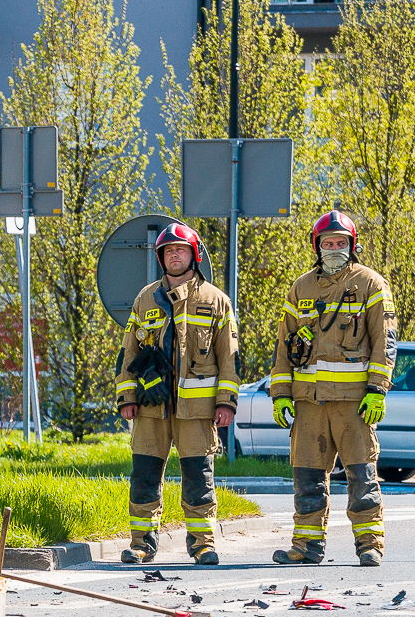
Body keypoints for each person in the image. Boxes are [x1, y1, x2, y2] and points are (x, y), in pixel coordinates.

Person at [270, 210, 397, 567]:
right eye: (328, 243)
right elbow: (284, 345)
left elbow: (384, 341)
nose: (334, 248)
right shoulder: (301, 287)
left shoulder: (371, 283)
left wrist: (377, 389)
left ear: (352, 245)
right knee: (307, 478)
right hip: (309, 403)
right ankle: (306, 547)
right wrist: (280, 395)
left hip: (354, 403)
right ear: (317, 246)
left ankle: (369, 544)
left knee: (362, 475)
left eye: (341, 242)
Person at [114, 223, 239, 566]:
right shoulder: (146, 298)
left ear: (193, 255)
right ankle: (141, 544)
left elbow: (228, 357)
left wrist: (226, 402)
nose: (174, 255)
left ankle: (203, 545)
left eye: (180, 250)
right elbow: (128, 352)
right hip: (151, 409)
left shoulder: (215, 301)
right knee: (144, 477)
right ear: (160, 257)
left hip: (197, 412)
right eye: (168, 251)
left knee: (199, 479)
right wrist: (127, 397)